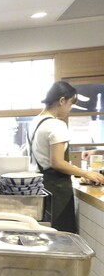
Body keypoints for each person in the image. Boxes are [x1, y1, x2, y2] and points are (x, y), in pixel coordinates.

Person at [28, 81, 104, 232]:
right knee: (62, 234)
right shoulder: (56, 125)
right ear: (62, 100)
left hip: (40, 187)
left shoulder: (35, 122)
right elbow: (57, 163)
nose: (70, 109)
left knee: (46, 233)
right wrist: (86, 173)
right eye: (70, 104)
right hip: (57, 190)